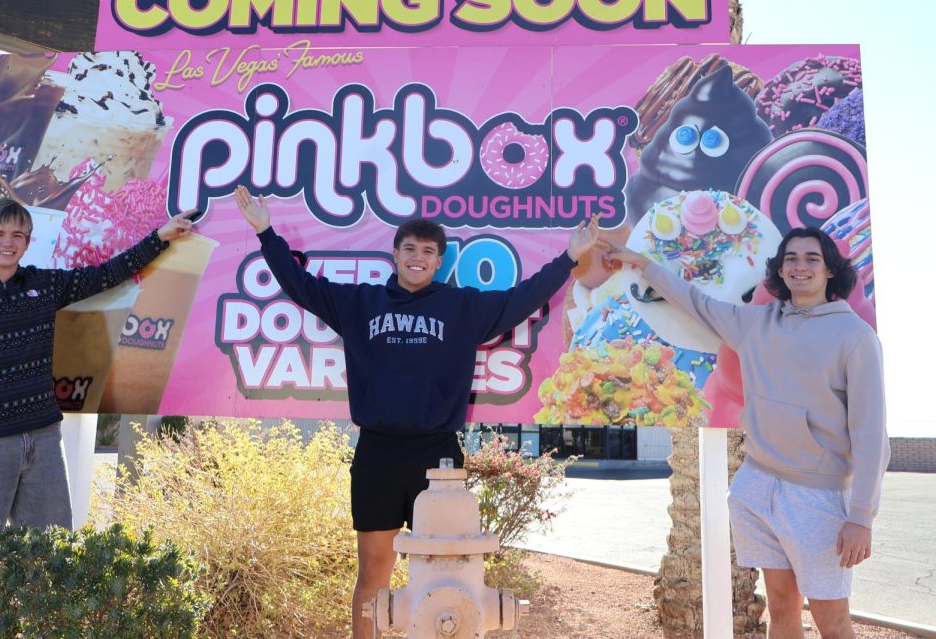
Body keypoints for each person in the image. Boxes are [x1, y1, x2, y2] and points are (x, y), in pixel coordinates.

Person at [234, 185, 598, 639]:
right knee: (374, 571)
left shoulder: (460, 307)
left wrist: (568, 259)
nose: (418, 258)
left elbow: (522, 299)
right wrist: (266, 232)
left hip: (439, 458)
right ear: (395, 254)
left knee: (445, 578)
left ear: (439, 260)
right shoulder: (360, 303)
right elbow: (302, 287)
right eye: (410, 249)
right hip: (378, 455)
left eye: (428, 251)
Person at [0, 198, 197, 639]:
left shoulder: (43, 284)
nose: (8, 243)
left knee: (51, 556)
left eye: (18, 235)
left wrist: (160, 237)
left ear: (27, 241)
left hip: (42, 441)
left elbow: (106, 275)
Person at [605, 226, 888, 639]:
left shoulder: (856, 337)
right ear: (780, 269)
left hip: (818, 499)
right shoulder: (755, 323)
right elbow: (696, 303)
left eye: (812, 258)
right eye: (791, 258)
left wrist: (861, 517)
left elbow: (870, 433)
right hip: (757, 485)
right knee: (780, 610)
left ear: (830, 271)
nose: (800, 266)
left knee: (833, 621)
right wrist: (641, 263)